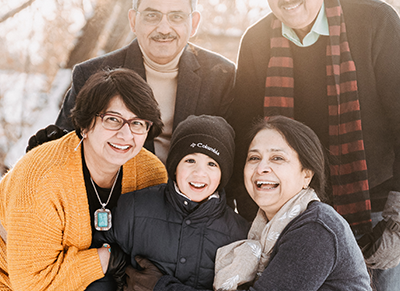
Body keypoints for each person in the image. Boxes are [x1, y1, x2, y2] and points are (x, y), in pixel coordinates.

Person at [226, 0, 400, 289]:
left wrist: (398, 219)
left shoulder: (375, 21)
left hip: (376, 204)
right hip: (293, 211)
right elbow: (244, 132)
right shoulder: (257, 42)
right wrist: (251, 214)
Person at [121, 116, 372, 291]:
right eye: (254, 158)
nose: (262, 168)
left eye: (277, 158)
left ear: (306, 174)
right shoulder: (262, 229)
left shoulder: (316, 229)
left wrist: (161, 287)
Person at [0, 68, 168, 291]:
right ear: (85, 125)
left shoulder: (150, 172)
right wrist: (105, 259)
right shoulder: (41, 178)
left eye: (137, 123)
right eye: (112, 119)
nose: (126, 135)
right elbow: (33, 286)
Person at [55, 0, 235, 164]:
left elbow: (232, 157)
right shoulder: (90, 75)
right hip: (117, 192)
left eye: (176, 16)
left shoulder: (222, 76)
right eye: (152, 15)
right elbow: (63, 152)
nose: (164, 28)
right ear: (133, 20)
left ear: (193, 23)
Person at [94, 115, 249, 290]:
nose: (199, 173)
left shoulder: (237, 234)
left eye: (212, 164)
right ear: (175, 166)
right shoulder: (134, 208)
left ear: (223, 174)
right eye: (190, 160)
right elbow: (99, 259)